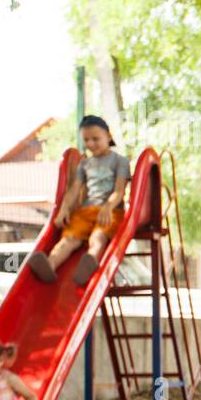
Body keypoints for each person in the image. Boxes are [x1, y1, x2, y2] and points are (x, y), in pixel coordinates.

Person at [28, 115, 131, 287]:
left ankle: (90, 260)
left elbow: (120, 191)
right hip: (85, 212)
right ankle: (50, 264)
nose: (90, 144)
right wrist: (63, 209)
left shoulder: (120, 161)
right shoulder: (84, 164)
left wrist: (108, 206)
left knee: (98, 237)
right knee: (68, 239)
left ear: (108, 136)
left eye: (95, 139)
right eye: (86, 140)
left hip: (111, 211)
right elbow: (74, 190)